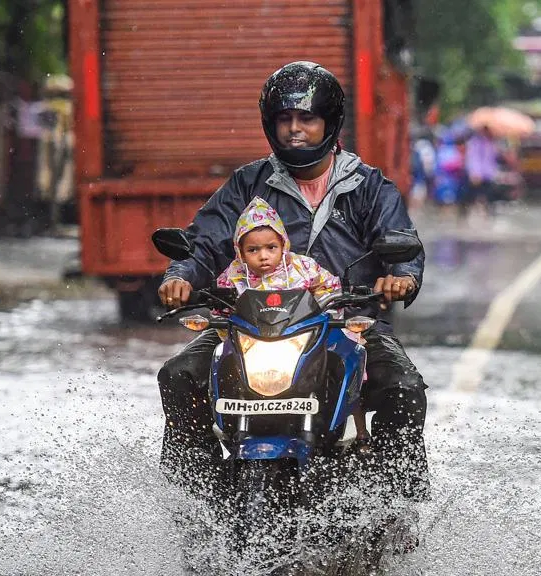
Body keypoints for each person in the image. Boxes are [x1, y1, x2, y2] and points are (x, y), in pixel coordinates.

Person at [156, 61, 429, 500]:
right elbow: (203, 242)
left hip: (345, 322)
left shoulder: (369, 186)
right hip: (249, 324)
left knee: (404, 388)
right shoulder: (248, 183)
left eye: (307, 118)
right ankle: (194, 500)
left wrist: (400, 277)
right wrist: (181, 276)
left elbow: (403, 244)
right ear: (271, 124)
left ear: (330, 123)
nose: (295, 129)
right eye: (285, 119)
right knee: (178, 375)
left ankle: (395, 503)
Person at [214, 195, 371, 445]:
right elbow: (221, 308)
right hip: (253, 344)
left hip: (303, 339)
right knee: (220, 358)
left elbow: (329, 287)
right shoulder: (233, 275)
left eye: (270, 248)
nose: (263, 256)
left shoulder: (302, 267)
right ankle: (222, 427)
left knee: (349, 353)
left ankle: (359, 430)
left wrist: (328, 310)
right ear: (240, 251)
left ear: (283, 244)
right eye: (253, 250)